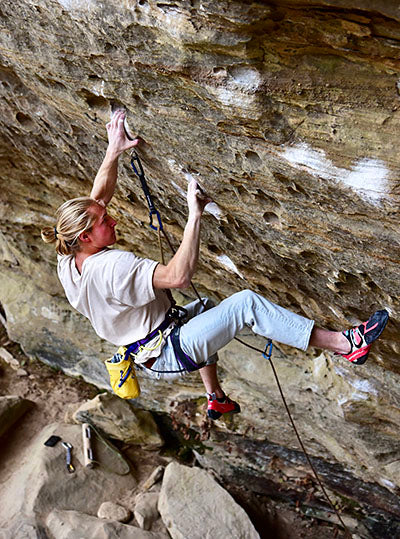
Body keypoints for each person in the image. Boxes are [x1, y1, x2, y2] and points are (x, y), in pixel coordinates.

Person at [41, 110, 389, 420]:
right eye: (105, 222)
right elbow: (177, 277)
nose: (113, 219)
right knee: (245, 305)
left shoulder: (67, 253)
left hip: (155, 347)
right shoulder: (112, 267)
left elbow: (97, 198)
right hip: (169, 350)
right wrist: (194, 215)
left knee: (208, 309)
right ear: (86, 237)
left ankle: (215, 398)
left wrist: (113, 149)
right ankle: (347, 345)